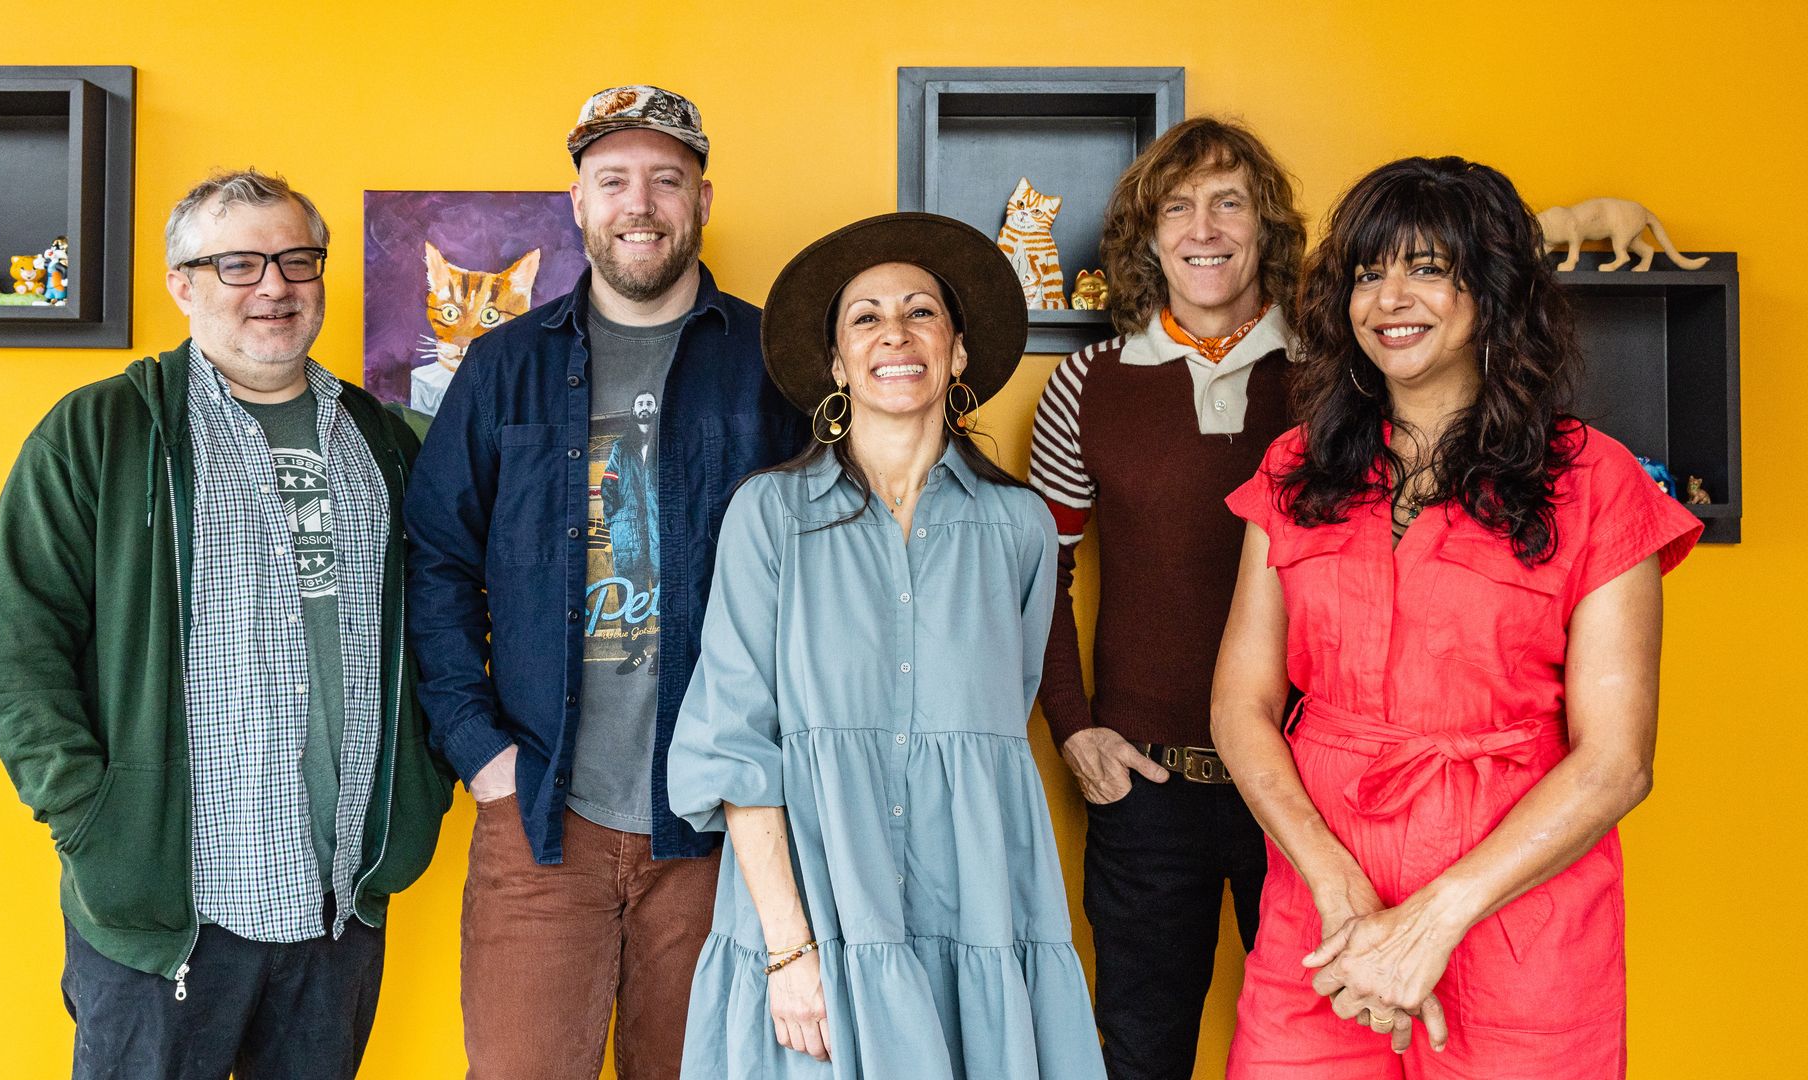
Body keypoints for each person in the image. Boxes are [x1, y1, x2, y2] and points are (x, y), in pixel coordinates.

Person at [1212, 156, 1702, 1077]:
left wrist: (1428, 924)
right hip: (1321, 917)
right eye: (1367, 272)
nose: (1389, 297)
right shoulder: (1293, 469)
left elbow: (1617, 761)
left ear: (1495, 288)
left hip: (1521, 923)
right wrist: (1338, 889)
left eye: (1428, 267)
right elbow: (1240, 707)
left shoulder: (1599, 482)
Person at [0, 170, 454, 1080]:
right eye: (237, 263)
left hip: (337, 897)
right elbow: (11, 646)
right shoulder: (101, 432)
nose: (274, 285)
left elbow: (443, 628)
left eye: (295, 260)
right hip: (166, 909)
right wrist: (90, 817)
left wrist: (423, 785)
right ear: (181, 284)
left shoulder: (388, 443)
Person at [403, 84, 805, 1080]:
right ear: (577, 203)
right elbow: (436, 559)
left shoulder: (774, 365)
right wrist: (478, 750)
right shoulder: (501, 370)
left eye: (666, 180)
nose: (640, 203)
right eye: (613, 179)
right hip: (540, 819)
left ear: (702, 200)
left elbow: (830, 564)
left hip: (717, 833)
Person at [668, 212, 1106, 1079]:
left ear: (959, 351)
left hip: (975, 897)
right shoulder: (770, 516)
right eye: (864, 317)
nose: (894, 334)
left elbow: (1001, 712)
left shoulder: (1019, 525)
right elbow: (736, 743)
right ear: (836, 363)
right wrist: (790, 952)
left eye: (921, 313)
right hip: (815, 904)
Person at [1027, 116, 1306, 1079]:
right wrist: (1073, 727)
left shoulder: (1339, 379)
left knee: (1327, 1044)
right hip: (1148, 787)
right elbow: (1041, 577)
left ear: (1265, 227)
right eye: (1177, 206)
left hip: (1313, 783)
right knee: (1141, 1054)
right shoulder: (1086, 383)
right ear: (1148, 237)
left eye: (1229, 201)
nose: (1204, 226)